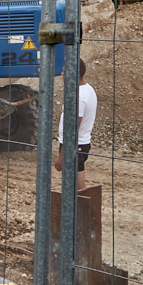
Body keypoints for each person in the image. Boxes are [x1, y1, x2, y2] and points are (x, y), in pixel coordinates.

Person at [54, 58, 97, 190]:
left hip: (74, 145)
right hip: (80, 143)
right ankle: (77, 208)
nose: (62, 74)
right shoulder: (88, 89)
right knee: (75, 182)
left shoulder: (78, 96)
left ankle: (79, 209)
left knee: (75, 187)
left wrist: (61, 155)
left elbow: (72, 128)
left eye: (64, 71)